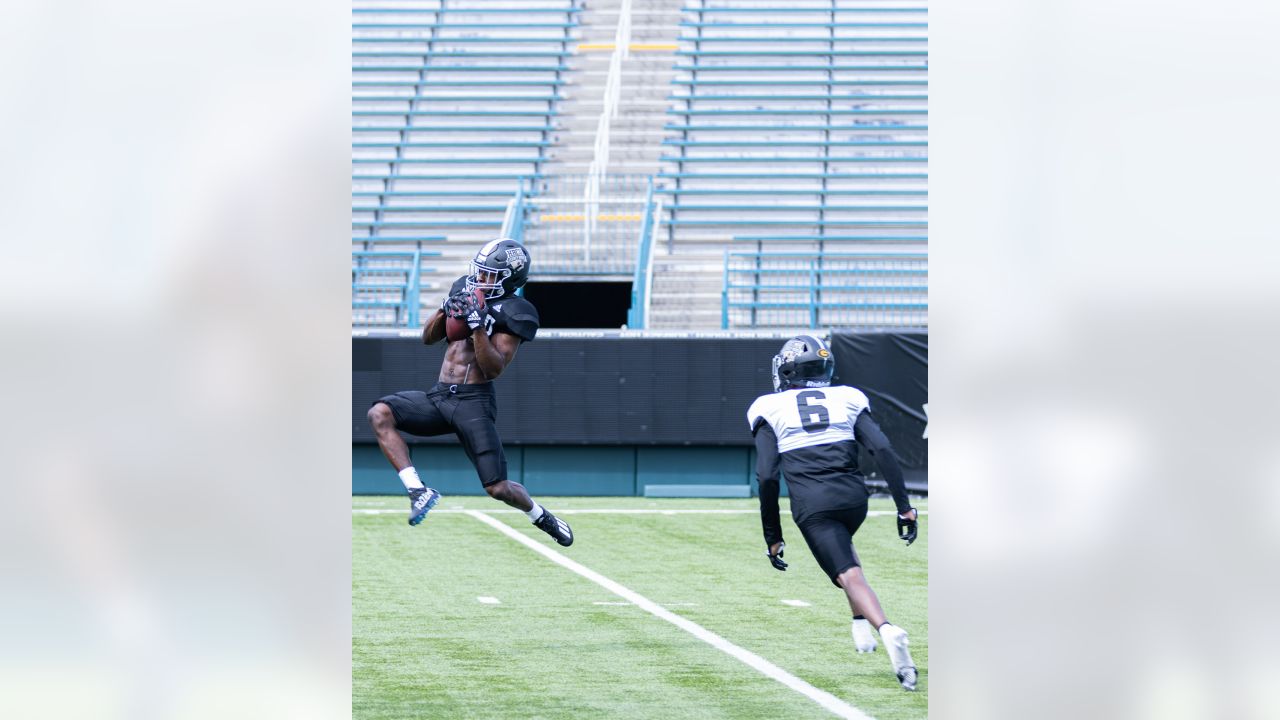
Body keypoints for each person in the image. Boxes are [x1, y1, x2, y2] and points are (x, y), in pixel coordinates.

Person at [365, 238, 574, 547]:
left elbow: (493, 368)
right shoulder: (464, 286)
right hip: (439, 396)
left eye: (489, 275)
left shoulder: (517, 311)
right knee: (379, 413)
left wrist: (477, 327)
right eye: (480, 272)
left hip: (473, 402)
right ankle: (418, 490)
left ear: (509, 279)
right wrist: (444, 309)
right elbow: (428, 338)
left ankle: (540, 515)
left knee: (498, 487)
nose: (480, 280)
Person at [748, 335, 919, 690]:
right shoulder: (848, 397)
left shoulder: (768, 406)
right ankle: (859, 623)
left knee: (848, 573)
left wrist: (773, 536)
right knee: (845, 554)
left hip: (814, 504)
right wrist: (905, 508)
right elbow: (883, 449)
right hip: (854, 498)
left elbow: (767, 476)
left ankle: (887, 630)